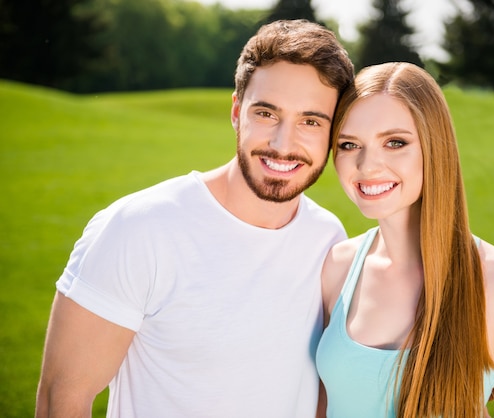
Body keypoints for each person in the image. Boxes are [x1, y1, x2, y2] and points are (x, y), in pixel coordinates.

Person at [35, 19, 354, 418]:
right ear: (237, 112)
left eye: (311, 120)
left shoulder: (327, 239)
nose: (282, 144)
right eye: (267, 113)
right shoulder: (140, 227)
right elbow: (60, 400)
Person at [315, 62, 494, 418]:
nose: (367, 165)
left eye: (395, 142)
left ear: (434, 146)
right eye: (349, 144)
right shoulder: (338, 266)